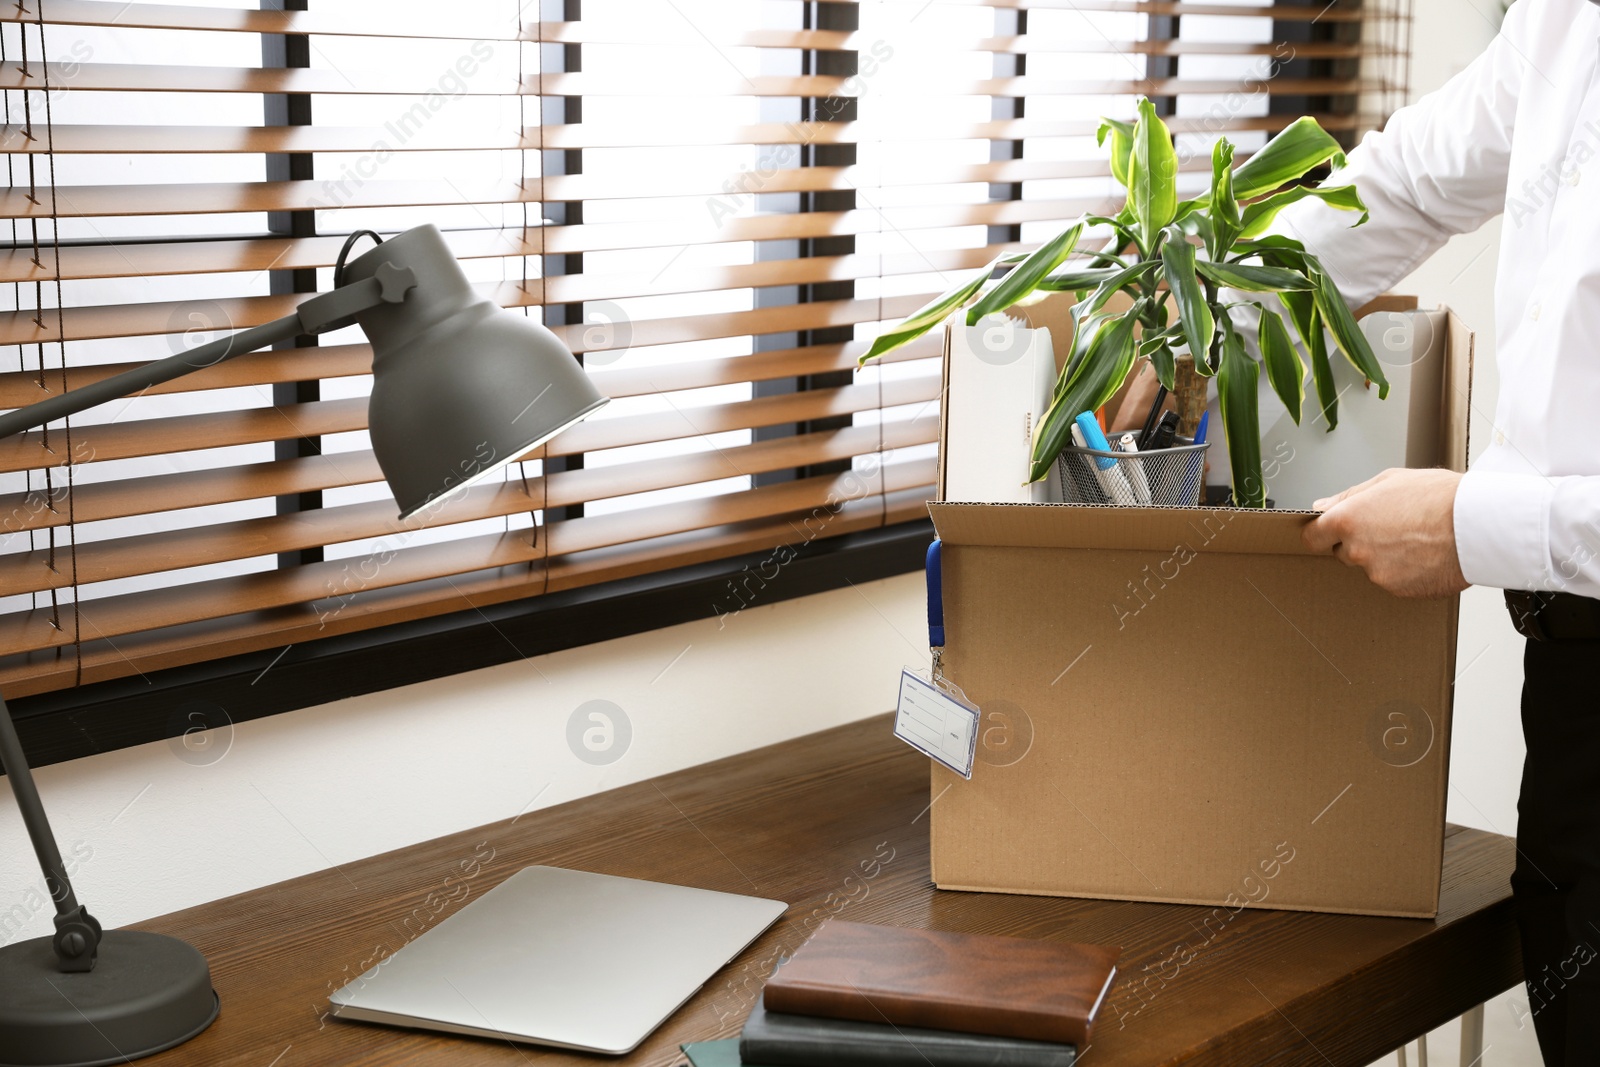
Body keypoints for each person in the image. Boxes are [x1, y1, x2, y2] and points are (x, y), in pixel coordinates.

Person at [1294, 1, 1600, 1062]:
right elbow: (1403, 183)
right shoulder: (1566, 23)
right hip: (1573, 681)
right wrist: (1202, 301)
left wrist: (1471, 526)